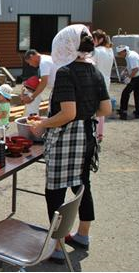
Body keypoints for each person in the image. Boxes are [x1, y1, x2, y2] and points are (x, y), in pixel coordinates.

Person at [32, 24, 111, 263]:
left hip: (66, 138)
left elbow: (67, 113)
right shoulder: (95, 71)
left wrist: (42, 124)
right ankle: (83, 235)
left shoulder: (66, 72)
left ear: (65, 45)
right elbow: (106, 109)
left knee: (54, 191)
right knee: (81, 184)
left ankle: (56, 246)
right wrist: (86, 114)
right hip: (87, 136)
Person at [91, 29, 114, 140]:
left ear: (100, 39)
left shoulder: (96, 51)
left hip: (96, 81)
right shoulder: (110, 51)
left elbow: (91, 66)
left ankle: (94, 133)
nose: (92, 41)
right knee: (103, 107)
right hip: (106, 81)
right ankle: (100, 133)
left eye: (94, 38)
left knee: (95, 107)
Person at [116, 45, 139, 120]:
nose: (119, 55)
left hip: (138, 76)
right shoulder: (129, 54)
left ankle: (123, 110)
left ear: (124, 51)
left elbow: (135, 69)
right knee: (137, 94)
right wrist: (126, 70)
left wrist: (129, 78)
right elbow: (131, 66)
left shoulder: (131, 56)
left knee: (125, 92)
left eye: (119, 53)